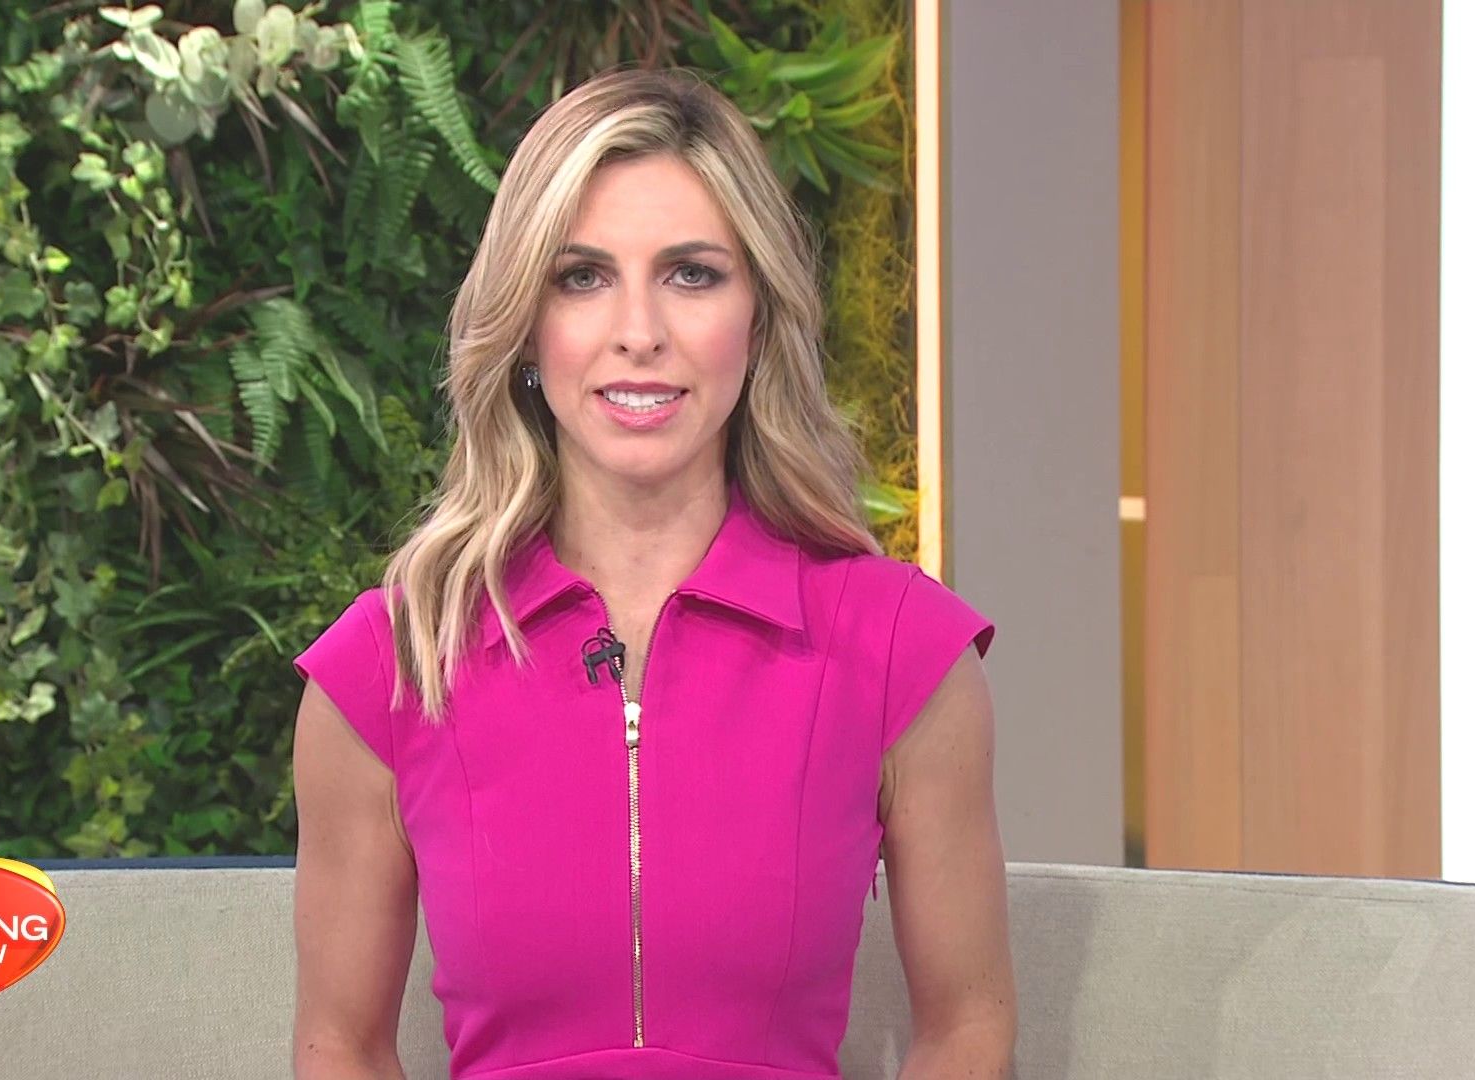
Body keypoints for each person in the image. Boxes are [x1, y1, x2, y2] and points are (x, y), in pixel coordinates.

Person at [290, 66, 1013, 1080]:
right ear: (526, 325)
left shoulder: (902, 651)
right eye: (582, 277)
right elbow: (341, 1047)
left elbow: (968, 1031)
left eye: (692, 275)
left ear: (758, 317)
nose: (639, 332)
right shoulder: (387, 667)